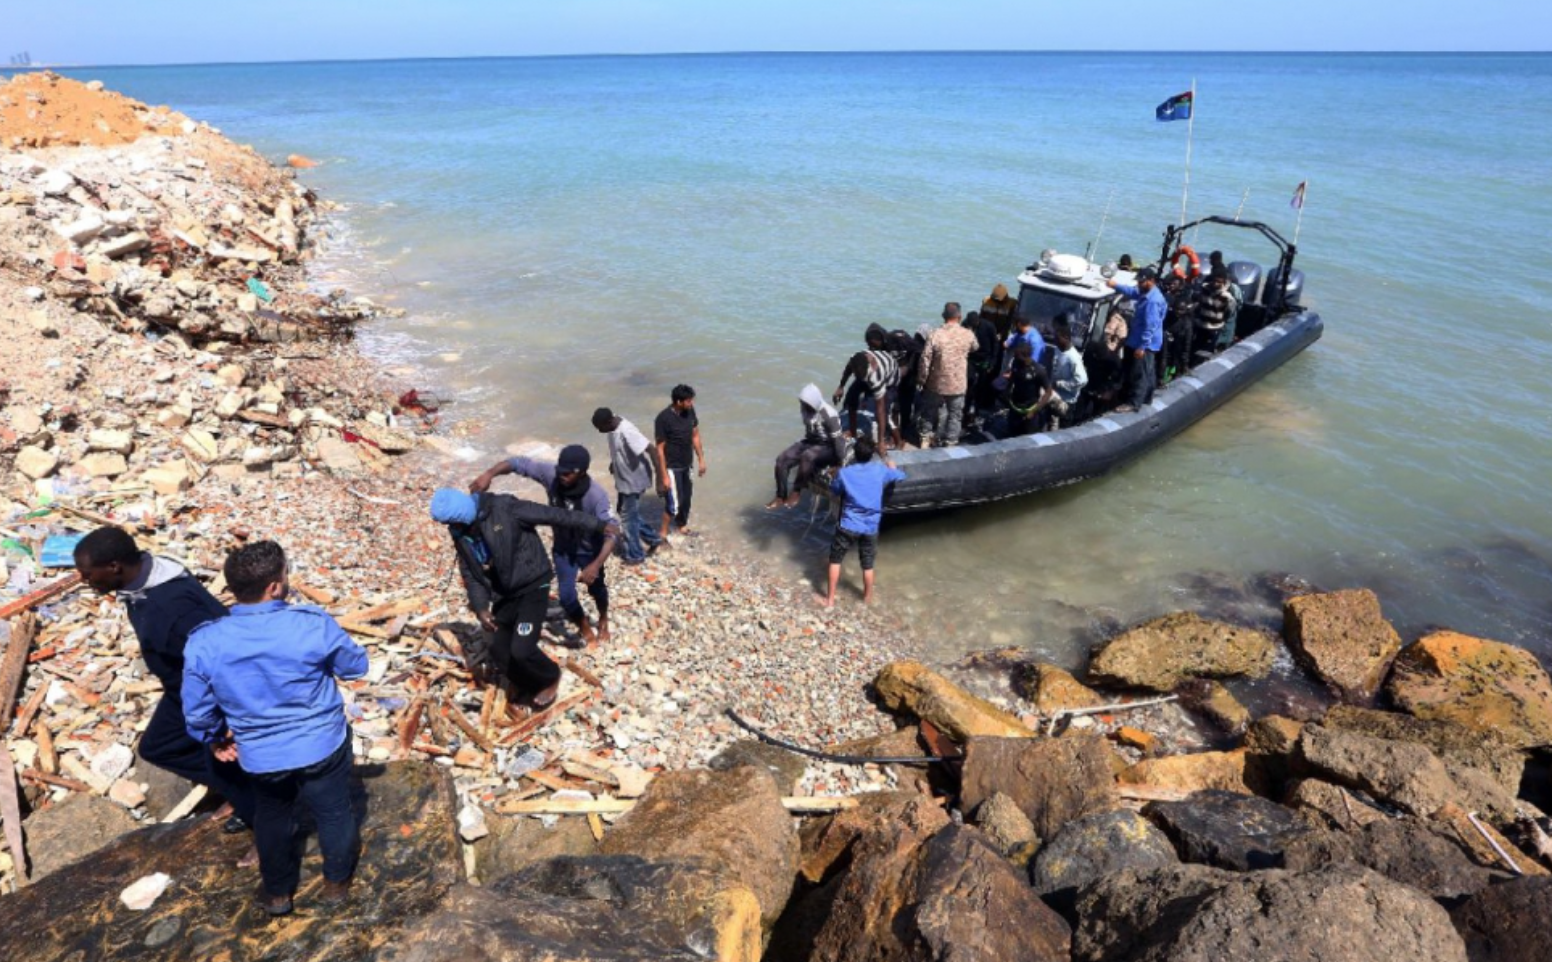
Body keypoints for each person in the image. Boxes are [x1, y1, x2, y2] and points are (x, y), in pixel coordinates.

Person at [182, 541, 368, 917]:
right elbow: (355, 667)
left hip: (261, 754)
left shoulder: (205, 641)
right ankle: (335, 883)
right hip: (321, 744)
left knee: (273, 816)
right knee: (333, 811)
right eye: (285, 574)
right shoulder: (311, 624)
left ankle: (279, 894)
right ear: (275, 587)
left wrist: (215, 738)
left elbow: (197, 709)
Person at [73, 528, 256, 840]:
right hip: (180, 688)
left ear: (115, 566)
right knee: (158, 747)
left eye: (88, 574)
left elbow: (222, 660)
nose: (84, 580)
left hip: (209, 691)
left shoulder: (170, 608)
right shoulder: (144, 578)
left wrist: (222, 721)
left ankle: (262, 814)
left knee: (218, 751)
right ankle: (239, 788)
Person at [430, 487, 616, 707]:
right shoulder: (462, 535)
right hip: (505, 592)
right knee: (499, 651)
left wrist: (599, 526)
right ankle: (530, 685)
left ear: (463, 515)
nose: (452, 528)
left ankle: (550, 677)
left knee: (522, 649)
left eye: (454, 523)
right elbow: (470, 573)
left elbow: (555, 515)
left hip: (534, 583)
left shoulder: (506, 508)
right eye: (448, 525)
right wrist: (481, 608)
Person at [471, 445, 621, 645]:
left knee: (597, 590)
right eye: (560, 471)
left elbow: (613, 533)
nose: (562, 476)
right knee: (566, 597)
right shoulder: (552, 475)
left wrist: (595, 565)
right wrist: (489, 473)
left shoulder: (597, 496)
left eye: (568, 473)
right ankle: (584, 627)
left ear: (582, 472)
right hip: (563, 548)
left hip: (589, 551)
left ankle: (603, 618)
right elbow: (518, 463)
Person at [821, 435, 906, 607]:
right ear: (872, 454)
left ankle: (829, 600)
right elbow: (900, 475)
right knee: (868, 565)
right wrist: (891, 466)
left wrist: (833, 476)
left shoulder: (845, 473)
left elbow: (834, 490)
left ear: (855, 454)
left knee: (835, 560)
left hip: (848, 524)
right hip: (870, 526)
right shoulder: (880, 471)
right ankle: (867, 599)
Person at [591, 407, 662, 565]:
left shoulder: (626, 431)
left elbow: (652, 450)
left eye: (600, 428)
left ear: (608, 422)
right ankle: (653, 539)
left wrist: (660, 479)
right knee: (626, 513)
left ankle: (635, 555)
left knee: (628, 519)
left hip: (633, 480)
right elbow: (619, 450)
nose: (599, 431)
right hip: (624, 478)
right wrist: (614, 463)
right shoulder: (612, 427)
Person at [770, 384, 848, 509]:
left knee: (808, 456)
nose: (804, 406)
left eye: (806, 404)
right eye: (803, 403)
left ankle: (796, 491)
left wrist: (839, 463)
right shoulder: (806, 410)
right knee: (782, 459)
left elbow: (838, 441)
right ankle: (781, 496)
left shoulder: (829, 415)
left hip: (828, 446)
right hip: (812, 441)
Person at [914, 302, 977, 447]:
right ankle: (950, 442)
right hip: (958, 384)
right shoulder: (968, 335)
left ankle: (925, 438)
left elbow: (925, 360)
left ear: (943, 316)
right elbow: (975, 347)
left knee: (929, 412)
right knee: (955, 415)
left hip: (936, 383)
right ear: (960, 317)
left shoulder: (934, 335)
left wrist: (922, 379)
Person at [1106, 266, 1166, 412]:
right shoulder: (1145, 293)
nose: (1139, 284)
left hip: (1143, 342)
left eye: (1142, 282)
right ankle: (1147, 397)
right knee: (1148, 371)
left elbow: (1150, 326)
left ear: (1151, 281)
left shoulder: (1152, 301)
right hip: (1139, 338)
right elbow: (1132, 292)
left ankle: (1134, 403)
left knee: (1138, 372)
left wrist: (1142, 346)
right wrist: (1116, 285)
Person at [831, 325, 900, 449]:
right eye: (858, 375)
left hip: (890, 379)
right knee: (852, 397)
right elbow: (848, 370)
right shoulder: (856, 358)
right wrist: (840, 387)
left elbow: (880, 410)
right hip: (867, 373)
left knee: (885, 412)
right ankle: (853, 432)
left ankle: (896, 441)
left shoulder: (876, 377)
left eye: (861, 376)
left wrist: (880, 443)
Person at [654, 384, 705, 539]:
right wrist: (664, 476)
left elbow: (695, 435)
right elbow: (660, 449)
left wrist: (701, 460)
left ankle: (681, 525)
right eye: (688, 401)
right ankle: (662, 534)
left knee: (686, 498)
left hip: (687, 464)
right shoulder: (663, 419)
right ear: (678, 401)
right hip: (671, 466)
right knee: (673, 504)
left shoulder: (689, 412)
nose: (692, 404)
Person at [1080, 306, 1129, 418]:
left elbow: (1118, 377)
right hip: (1092, 375)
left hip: (1109, 361)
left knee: (1099, 409)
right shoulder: (1091, 349)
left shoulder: (1120, 323)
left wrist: (1110, 390)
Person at [1005, 341, 1056, 436]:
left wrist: (1034, 410)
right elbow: (1013, 377)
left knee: (1028, 438)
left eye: (1017, 355)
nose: (1014, 357)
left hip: (1030, 412)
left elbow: (1048, 392)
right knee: (1010, 434)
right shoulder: (1015, 363)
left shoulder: (1039, 371)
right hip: (1015, 408)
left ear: (1025, 356)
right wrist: (1007, 391)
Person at [1047, 315, 1089, 429]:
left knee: (1063, 427)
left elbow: (1082, 380)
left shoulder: (1073, 357)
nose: (1055, 340)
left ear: (1066, 337)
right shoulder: (1057, 349)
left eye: (1057, 338)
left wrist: (1060, 384)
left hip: (1066, 401)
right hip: (1054, 396)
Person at [1193, 270, 1237, 358]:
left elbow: (1229, 312)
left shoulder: (1228, 298)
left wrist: (1218, 319)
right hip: (1201, 324)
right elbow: (1199, 303)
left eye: (1219, 282)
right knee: (1195, 347)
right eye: (1214, 280)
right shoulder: (1204, 290)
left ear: (1223, 283)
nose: (1216, 283)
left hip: (1214, 327)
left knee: (1208, 350)